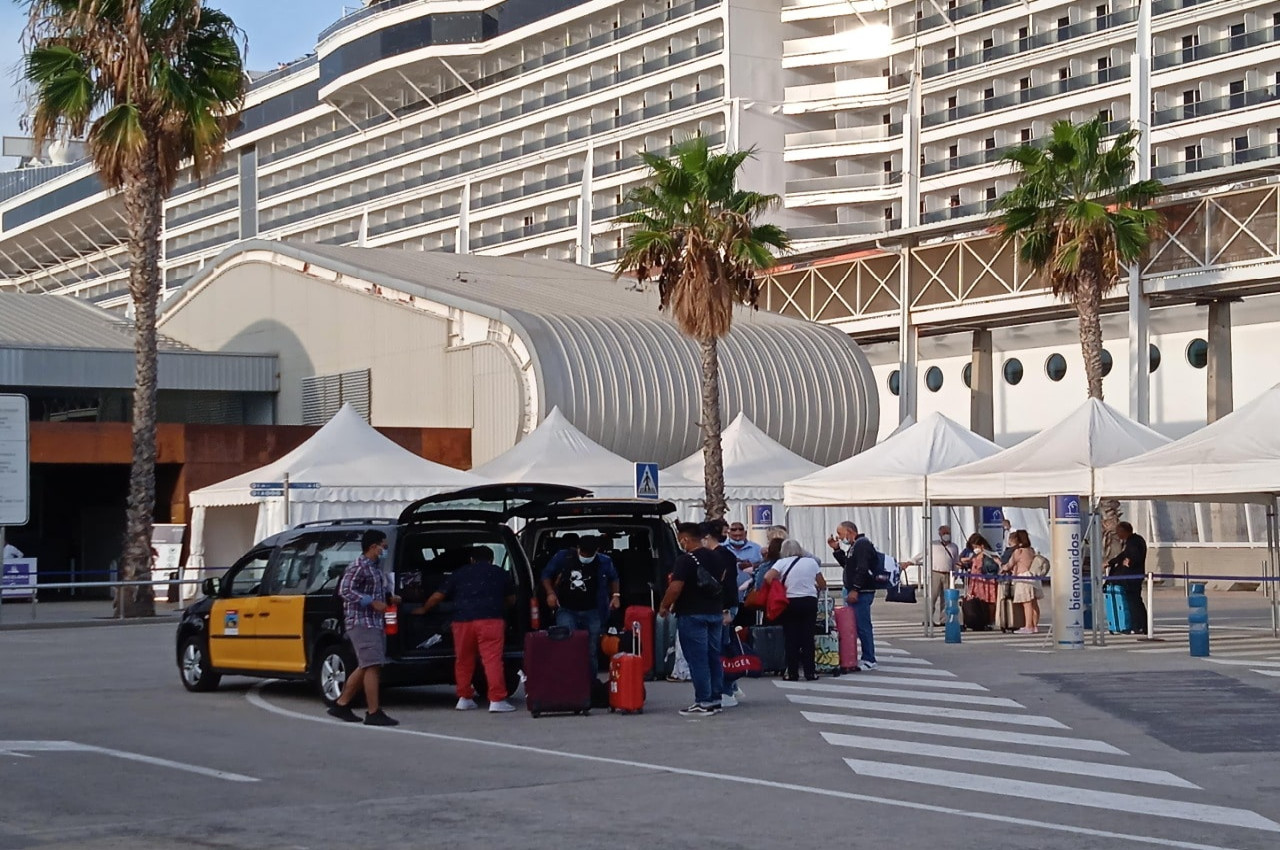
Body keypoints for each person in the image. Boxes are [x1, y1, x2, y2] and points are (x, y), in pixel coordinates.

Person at [416, 546, 518, 713]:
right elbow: (512, 599)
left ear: (472, 559)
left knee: (463, 660)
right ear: (491, 559)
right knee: (492, 660)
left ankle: (464, 698)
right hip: (490, 620)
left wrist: (424, 609)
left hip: (462, 621)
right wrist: (500, 608)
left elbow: (437, 596)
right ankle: (497, 700)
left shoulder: (459, 573)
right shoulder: (499, 573)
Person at [658, 522, 737, 717]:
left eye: (680, 540)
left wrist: (664, 606)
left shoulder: (685, 560)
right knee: (713, 656)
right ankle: (716, 699)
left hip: (692, 613)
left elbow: (675, 587)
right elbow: (724, 581)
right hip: (714, 612)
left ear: (685, 539)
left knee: (697, 659)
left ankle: (703, 701)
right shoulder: (718, 557)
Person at [329, 530, 401, 726]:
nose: (384, 550)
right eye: (383, 547)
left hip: (374, 621)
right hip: (361, 621)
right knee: (372, 665)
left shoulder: (376, 568)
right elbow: (345, 589)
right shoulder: (358, 566)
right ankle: (373, 711)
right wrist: (370, 602)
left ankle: (342, 704)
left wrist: (388, 598)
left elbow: (376, 591)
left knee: (368, 664)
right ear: (373, 547)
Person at [541, 535, 620, 677]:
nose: (585, 556)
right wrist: (550, 593)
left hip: (593, 610)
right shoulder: (563, 557)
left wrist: (615, 596)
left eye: (589, 554)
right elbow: (546, 574)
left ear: (597, 550)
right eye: (583, 553)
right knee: (567, 645)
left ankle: (590, 684)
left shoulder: (604, 561)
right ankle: (569, 681)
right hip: (566, 609)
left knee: (591, 649)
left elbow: (613, 578)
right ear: (578, 548)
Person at [764, 539, 825, 681]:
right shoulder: (811, 562)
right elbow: (822, 583)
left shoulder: (781, 563)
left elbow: (768, 577)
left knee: (791, 638)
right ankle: (810, 672)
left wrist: (779, 586)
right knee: (808, 637)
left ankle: (792, 673)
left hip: (790, 601)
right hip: (809, 601)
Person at [701, 519, 744, 706]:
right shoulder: (724, 554)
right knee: (722, 647)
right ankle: (731, 687)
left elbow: (725, 584)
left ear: (707, 537)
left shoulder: (720, 555)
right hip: (725, 605)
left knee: (721, 650)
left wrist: (726, 609)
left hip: (724, 606)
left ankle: (727, 690)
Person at [829, 521, 879, 670]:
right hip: (855, 590)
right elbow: (848, 565)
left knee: (863, 625)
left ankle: (869, 658)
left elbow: (862, 568)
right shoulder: (854, 546)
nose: (839, 537)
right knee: (855, 626)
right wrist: (837, 550)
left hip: (861, 592)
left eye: (840, 534)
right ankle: (863, 656)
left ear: (850, 531)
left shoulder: (862, 544)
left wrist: (855, 589)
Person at [901, 525, 959, 627]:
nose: (946, 535)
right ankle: (928, 619)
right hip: (935, 573)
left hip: (948, 574)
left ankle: (944, 620)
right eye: (944, 533)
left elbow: (955, 561)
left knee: (946, 599)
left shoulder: (954, 547)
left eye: (947, 533)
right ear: (940, 534)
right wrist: (910, 562)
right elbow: (921, 555)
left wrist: (956, 573)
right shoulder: (933, 545)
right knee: (932, 597)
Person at [1108, 521, 1149, 633]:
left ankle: (1140, 625)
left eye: (1118, 532)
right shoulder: (1133, 541)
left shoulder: (1134, 542)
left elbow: (1132, 557)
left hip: (1133, 576)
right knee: (1134, 601)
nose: (1117, 535)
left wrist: (1129, 563)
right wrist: (1112, 562)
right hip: (1133, 576)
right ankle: (1140, 625)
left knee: (1134, 601)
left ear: (1124, 531)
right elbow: (1124, 555)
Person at [1004, 530, 1042, 634]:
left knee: (1027, 603)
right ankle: (1035, 625)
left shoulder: (1019, 551)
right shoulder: (1031, 550)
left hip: (1023, 577)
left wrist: (1002, 566)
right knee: (1034, 603)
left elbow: (1010, 564)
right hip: (1033, 576)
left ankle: (1028, 626)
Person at [960, 533, 1000, 615]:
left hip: (987, 580)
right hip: (975, 580)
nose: (974, 549)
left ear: (981, 545)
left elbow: (996, 563)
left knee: (989, 601)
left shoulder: (989, 554)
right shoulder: (974, 555)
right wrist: (969, 559)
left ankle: (990, 619)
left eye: (976, 547)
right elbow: (963, 559)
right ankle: (979, 618)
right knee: (975, 600)